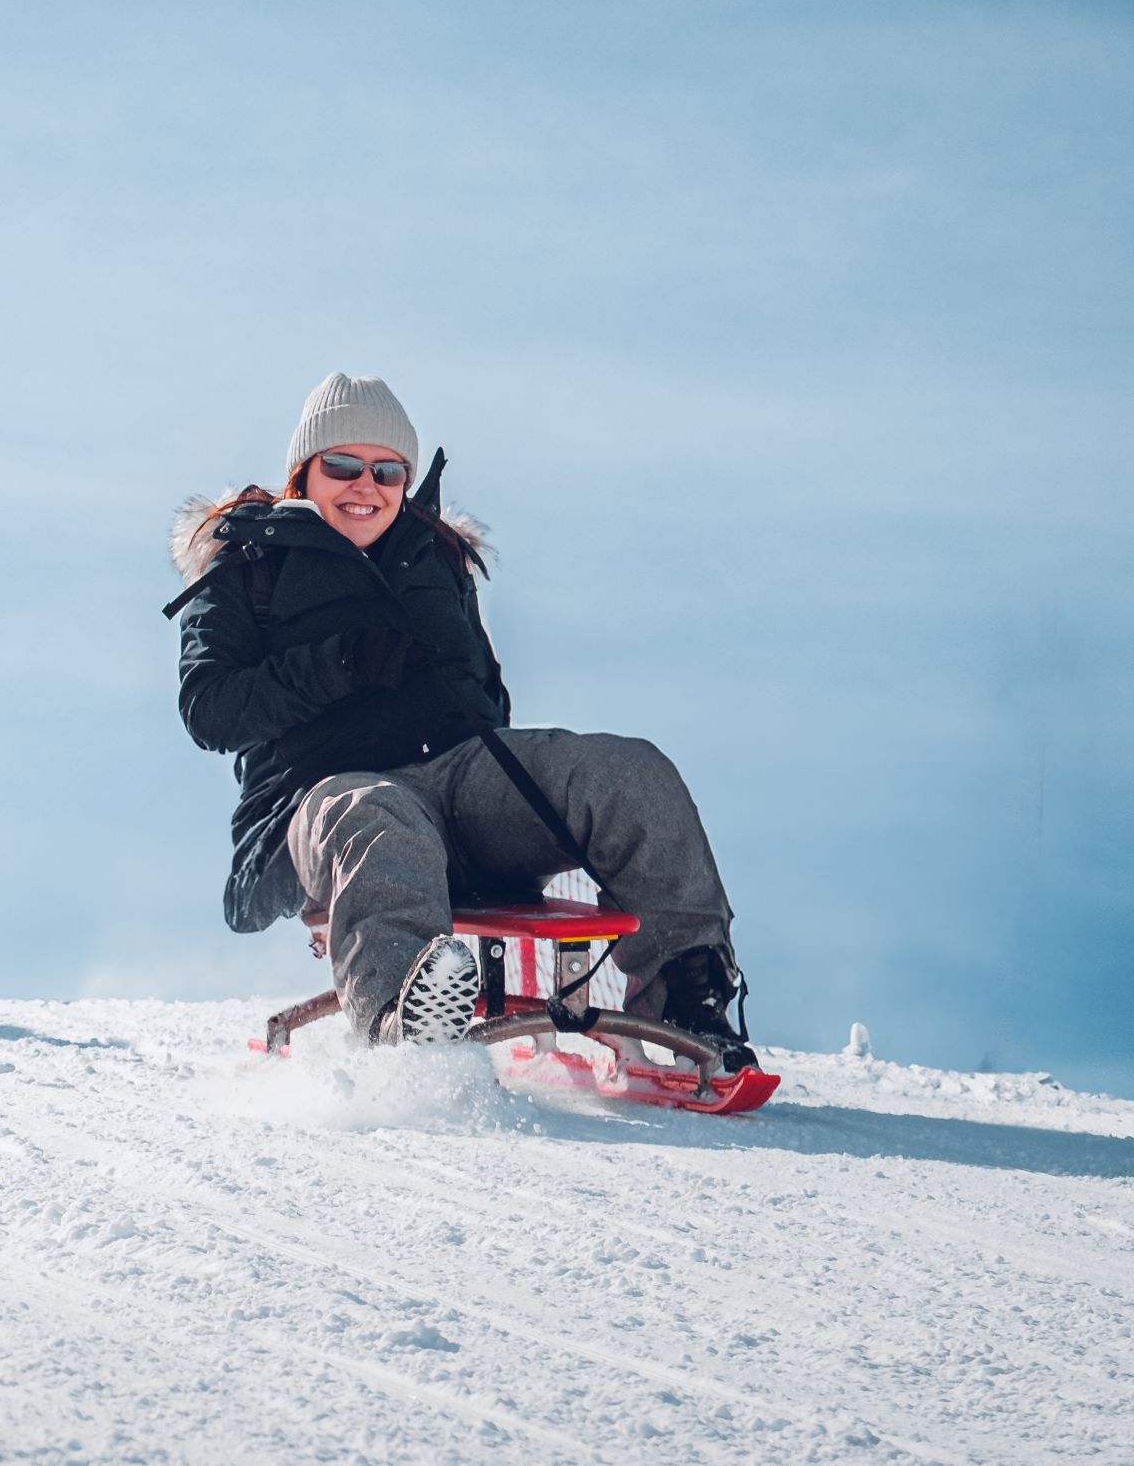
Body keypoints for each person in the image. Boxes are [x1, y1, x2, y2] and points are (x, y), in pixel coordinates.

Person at [165, 372, 750, 1060]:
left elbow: (492, 697)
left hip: (461, 782)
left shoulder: (434, 557)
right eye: (343, 466)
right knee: (375, 810)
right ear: (303, 473)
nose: (366, 486)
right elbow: (209, 708)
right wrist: (342, 664)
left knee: (625, 771)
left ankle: (688, 996)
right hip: (321, 796)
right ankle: (400, 1022)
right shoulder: (249, 560)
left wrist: (446, 692)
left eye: (388, 471)